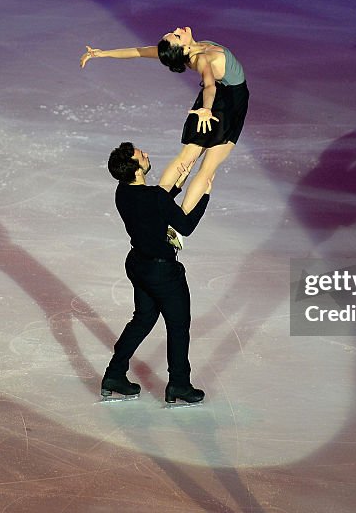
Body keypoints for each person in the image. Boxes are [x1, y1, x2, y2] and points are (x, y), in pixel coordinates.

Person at [81, 27, 248, 219]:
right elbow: (209, 86)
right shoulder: (200, 58)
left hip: (212, 103)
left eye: (174, 32)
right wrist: (207, 108)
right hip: (228, 103)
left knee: (186, 158)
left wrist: (101, 53)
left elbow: (139, 51)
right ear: (183, 48)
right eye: (177, 35)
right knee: (207, 168)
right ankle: (179, 219)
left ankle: (157, 206)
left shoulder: (187, 51)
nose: (178, 29)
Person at [102, 141, 211, 404]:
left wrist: (177, 185)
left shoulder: (122, 192)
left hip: (138, 266)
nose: (147, 154)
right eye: (142, 155)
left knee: (142, 319)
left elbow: (153, 206)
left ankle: (114, 374)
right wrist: (204, 196)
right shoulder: (155, 197)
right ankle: (179, 385)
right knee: (178, 327)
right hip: (163, 274)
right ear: (137, 169)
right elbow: (184, 225)